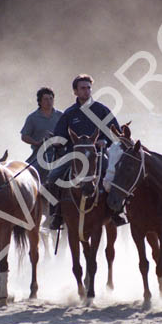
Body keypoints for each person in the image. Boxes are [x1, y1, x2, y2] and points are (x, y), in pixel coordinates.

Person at [45, 74, 128, 230]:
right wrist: (56, 142)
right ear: (75, 91)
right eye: (82, 88)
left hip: (97, 154)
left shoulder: (102, 110)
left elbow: (116, 134)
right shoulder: (69, 113)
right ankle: (57, 214)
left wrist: (106, 141)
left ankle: (117, 211)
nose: (86, 91)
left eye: (89, 88)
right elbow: (60, 137)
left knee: (113, 175)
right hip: (74, 156)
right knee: (52, 176)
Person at [20, 87, 63, 178]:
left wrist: (59, 141)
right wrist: (37, 142)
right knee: (28, 173)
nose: (49, 102)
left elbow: (69, 133)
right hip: (40, 153)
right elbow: (24, 136)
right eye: (46, 99)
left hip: (60, 151)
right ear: (39, 102)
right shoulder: (33, 117)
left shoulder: (61, 115)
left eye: (51, 99)